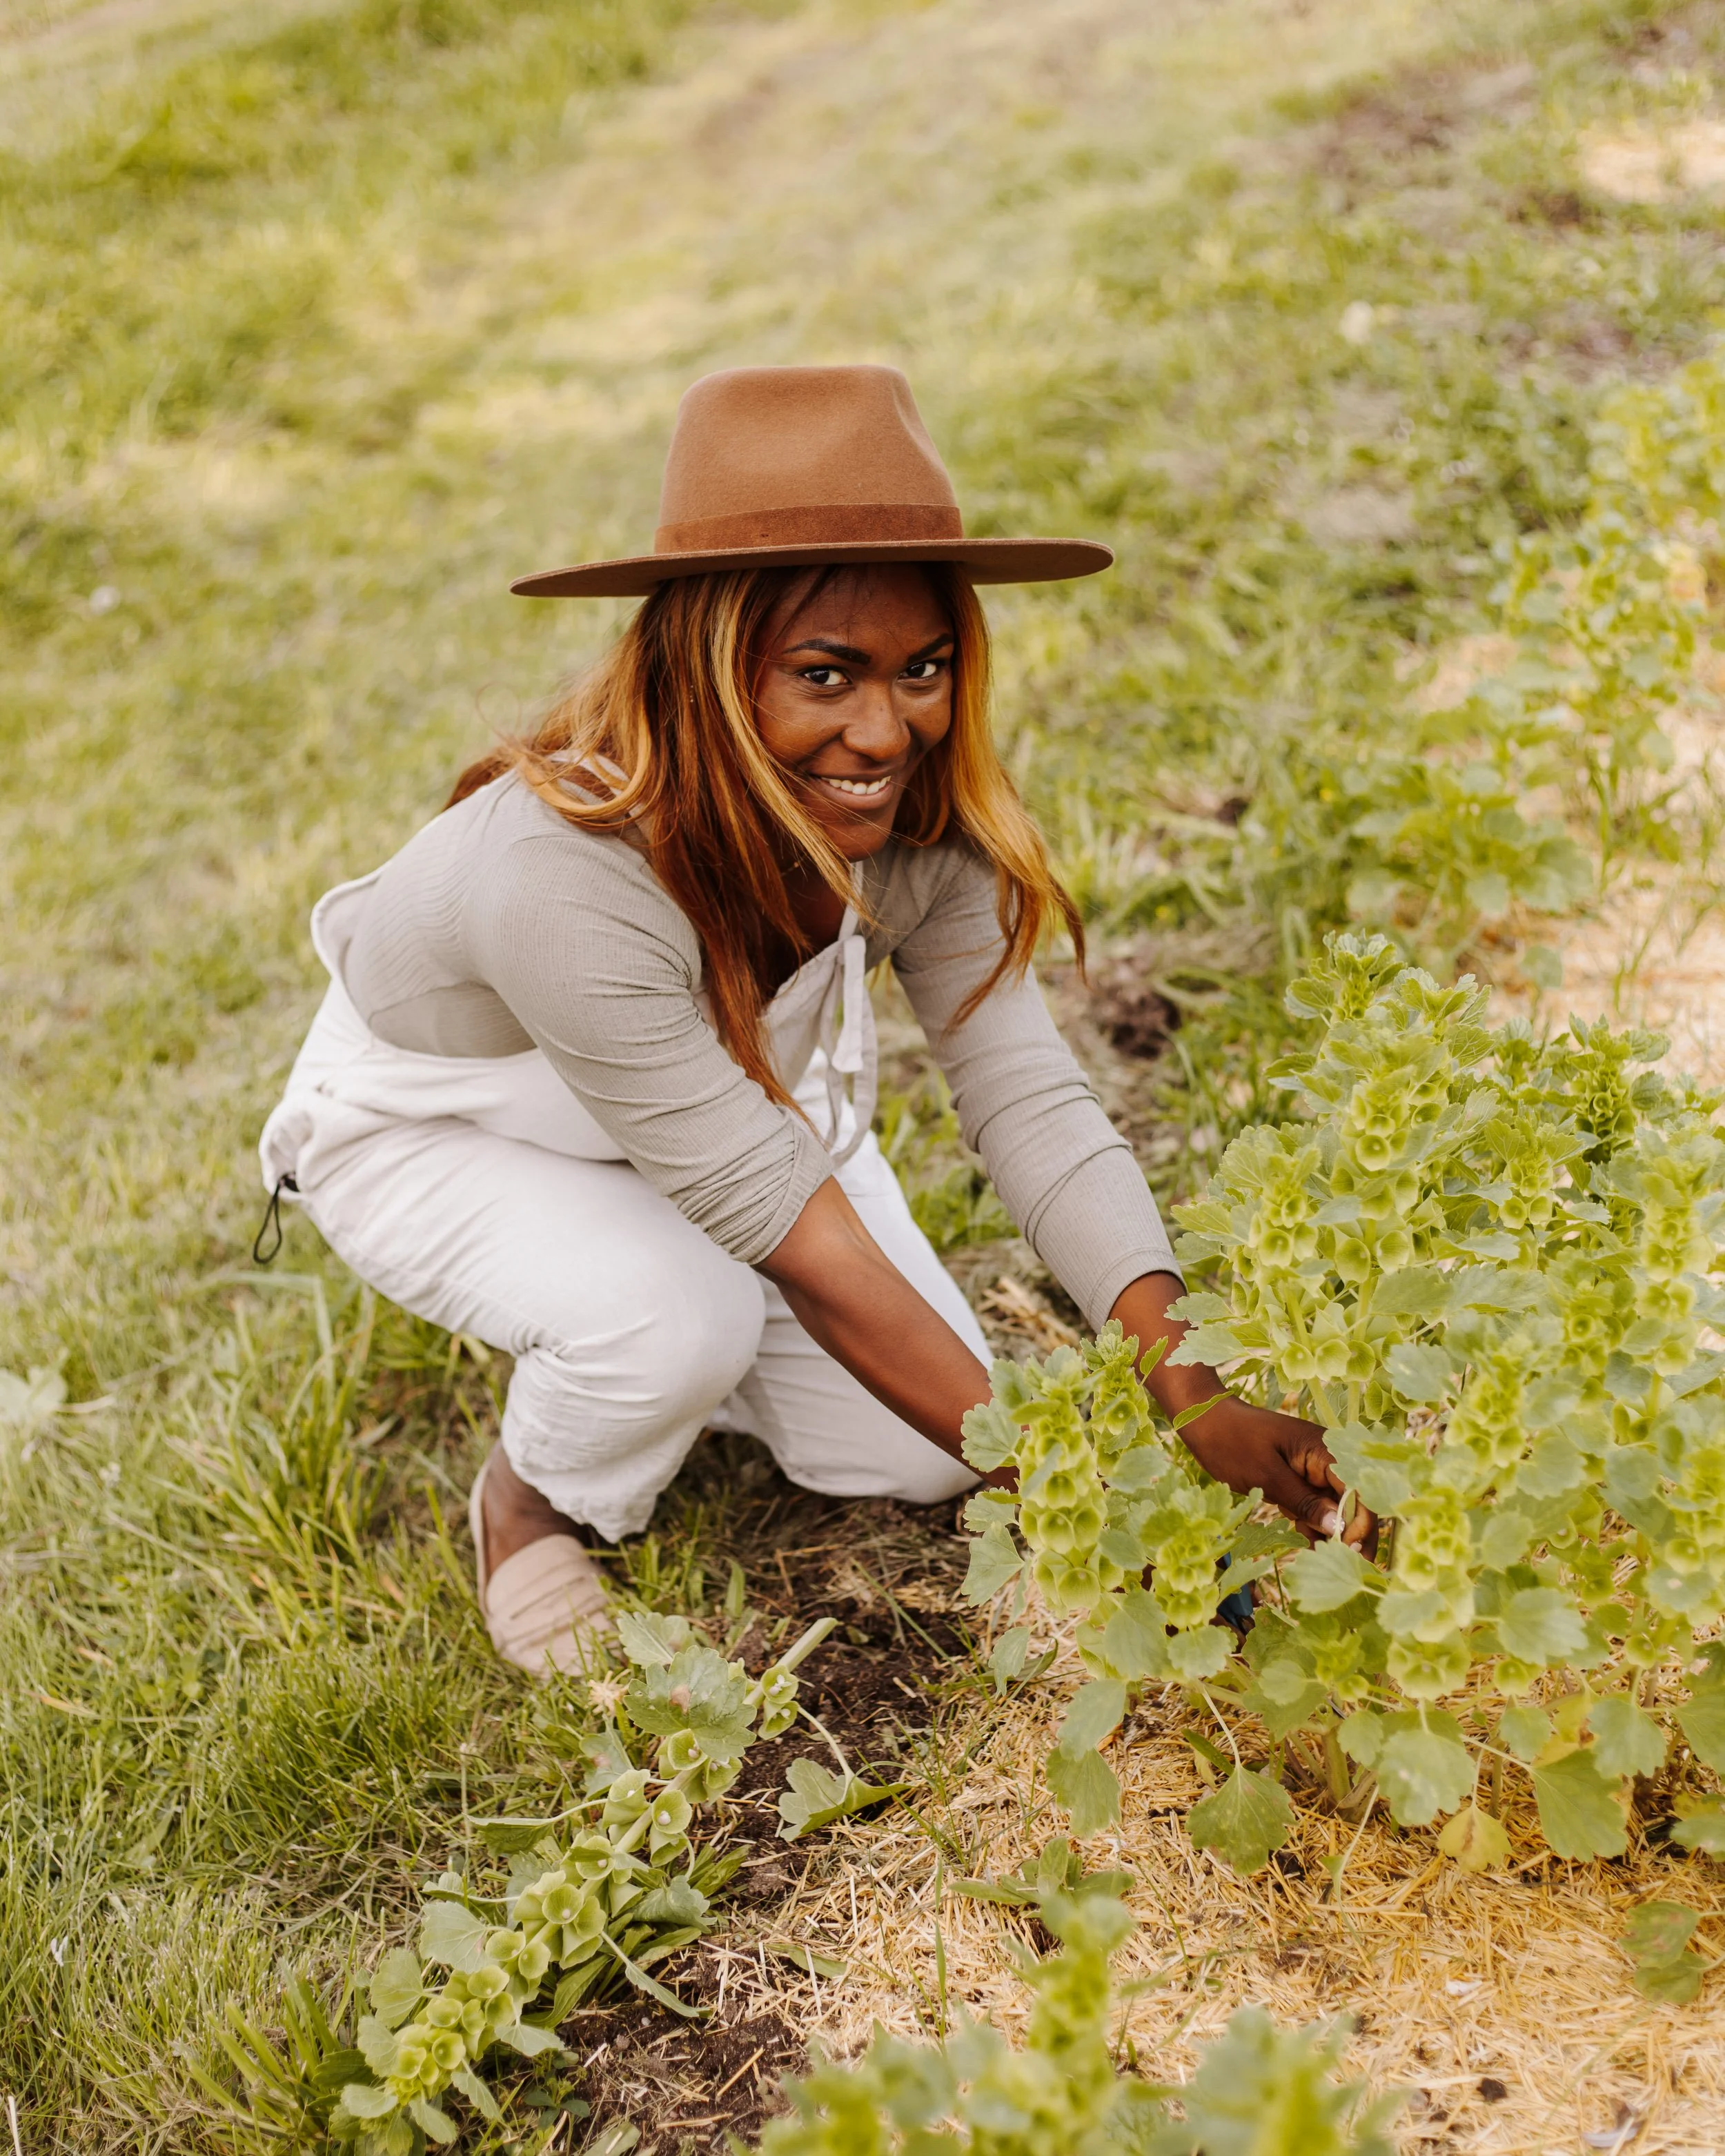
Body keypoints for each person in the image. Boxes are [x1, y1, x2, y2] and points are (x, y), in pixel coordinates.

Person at [258, 364, 1364, 1676]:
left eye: (924, 669)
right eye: (825, 675)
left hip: (723, 1125)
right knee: (675, 1323)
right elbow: (812, 1253)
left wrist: (1195, 1393)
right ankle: (532, 1501)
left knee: (915, 1449)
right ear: (708, 667)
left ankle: (644, 1330)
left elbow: (1027, 1099)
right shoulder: (558, 877)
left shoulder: (917, 832)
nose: (884, 728)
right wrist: (1087, 1503)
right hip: (443, 1136)